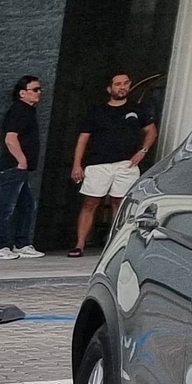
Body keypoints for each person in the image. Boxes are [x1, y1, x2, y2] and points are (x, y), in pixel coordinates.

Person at [69, 69, 156, 255]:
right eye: (118, 84)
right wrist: (77, 164)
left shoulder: (137, 109)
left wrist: (143, 151)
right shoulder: (97, 111)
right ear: (110, 88)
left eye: (125, 83)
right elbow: (83, 138)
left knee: (121, 203)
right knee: (90, 203)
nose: (122, 87)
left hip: (126, 164)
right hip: (97, 164)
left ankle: (116, 245)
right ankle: (80, 244)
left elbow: (151, 131)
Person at [0, 75, 43, 258]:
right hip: (13, 167)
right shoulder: (19, 110)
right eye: (35, 90)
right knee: (7, 206)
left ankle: (21, 243)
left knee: (26, 204)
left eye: (39, 89)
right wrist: (21, 160)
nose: (39, 93)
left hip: (20, 168)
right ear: (22, 93)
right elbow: (10, 138)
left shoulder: (28, 111)